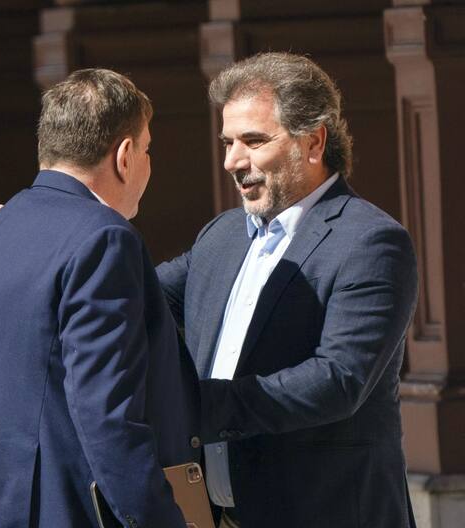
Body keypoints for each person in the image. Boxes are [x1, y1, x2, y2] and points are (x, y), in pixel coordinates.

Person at [156, 52, 419, 527]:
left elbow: (338, 380)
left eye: (253, 141)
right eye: (228, 142)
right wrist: (39, 247)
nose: (233, 161)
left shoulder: (371, 240)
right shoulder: (221, 233)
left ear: (313, 142)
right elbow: (130, 295)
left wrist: (193, 406)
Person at [0, 69, 202, 528]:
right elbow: (108, 418)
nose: (147, 162)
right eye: (147, 149)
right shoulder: (105, 240)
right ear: (125, 156)